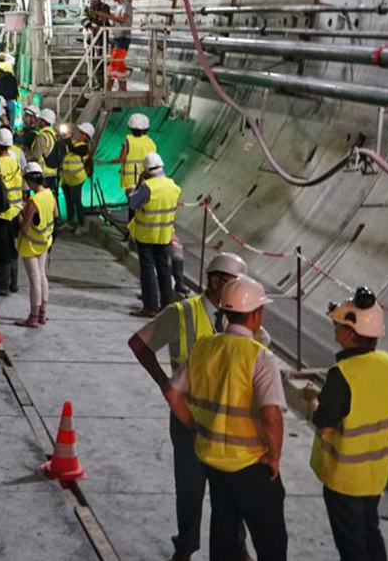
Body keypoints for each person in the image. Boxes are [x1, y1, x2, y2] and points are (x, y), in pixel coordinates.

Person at [128, 252, 256, 561]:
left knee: (231, 488)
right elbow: (139, 344)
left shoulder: (241, 316)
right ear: (215, 282)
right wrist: (165, 384)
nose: (239, 293)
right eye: (234, 285)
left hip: (227, 421)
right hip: (189, 418)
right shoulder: (182, 313)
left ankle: (237, 545)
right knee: (190, 487)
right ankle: (186, 546)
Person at [167, 276, 287, 561]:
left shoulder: (203, 347)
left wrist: (194, 425)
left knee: (224, 528)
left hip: (212, 461)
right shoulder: (260, 357)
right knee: (271, 541)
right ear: (256, 315)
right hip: (250, 464)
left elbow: (173, 393)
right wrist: (274, 456)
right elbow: (271, 416)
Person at [312, 288, 388, 561]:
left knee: (351, 547)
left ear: (351, 334)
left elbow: (325, 425)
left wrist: (315, 402)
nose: (335, 328)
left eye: (339, 325)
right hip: (375, 475)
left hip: (345, 479)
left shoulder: (341, 375)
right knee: (370, 532)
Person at [127, 152, 180, 316]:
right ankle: (167, 305)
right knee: (164, 269)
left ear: (146, 170)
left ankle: (150, 306)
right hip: (164, 235)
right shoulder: (173, 186)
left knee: (148, 270)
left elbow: (132, 203)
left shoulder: (148, 187)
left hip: (146, 235)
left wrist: (139, 183)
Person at [14, 162, 56, 327]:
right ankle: (42, 315)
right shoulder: (49, 194)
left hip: (31, 244)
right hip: (44, 242)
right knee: (41, 275)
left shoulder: (33, 201)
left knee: (34, 279)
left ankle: (33, 318)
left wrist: (20, 214)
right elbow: (55, 214)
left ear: (29, 180)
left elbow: (24, 227)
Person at [0, 128, 24, 297]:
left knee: (2, 248)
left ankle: (2, 286)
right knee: (11, 246)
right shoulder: (15, 162)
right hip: (15, 210)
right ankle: (13, 283)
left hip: (1, 212)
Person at [111, 112, 158, 197]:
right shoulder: (151, 143)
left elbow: (121, 159)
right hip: (147, 180)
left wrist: (106, 162)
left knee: (132, 202)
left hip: (131, 182)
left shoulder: (128, 140)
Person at [57, 122, 94, 229]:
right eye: (79, 131)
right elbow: (63, 145)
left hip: (77, 179)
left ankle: (81, 225)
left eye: (81, 132)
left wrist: (68, 138)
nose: (78, 133)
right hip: (66, 178)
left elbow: (72, 149)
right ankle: (70, 222)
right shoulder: (73, 142)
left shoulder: (84, 147)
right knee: (68, 201)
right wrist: (63, 136)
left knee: (76, 201)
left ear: (86, 136)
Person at [106, 0, 133, 90]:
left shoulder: (126, 5)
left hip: (123, 38)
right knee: (120, 65)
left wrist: (109, 16)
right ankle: (123, 89)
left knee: (114, 63)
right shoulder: (117, 7)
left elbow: (123, 19)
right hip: (116, 38)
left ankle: (108, 89)